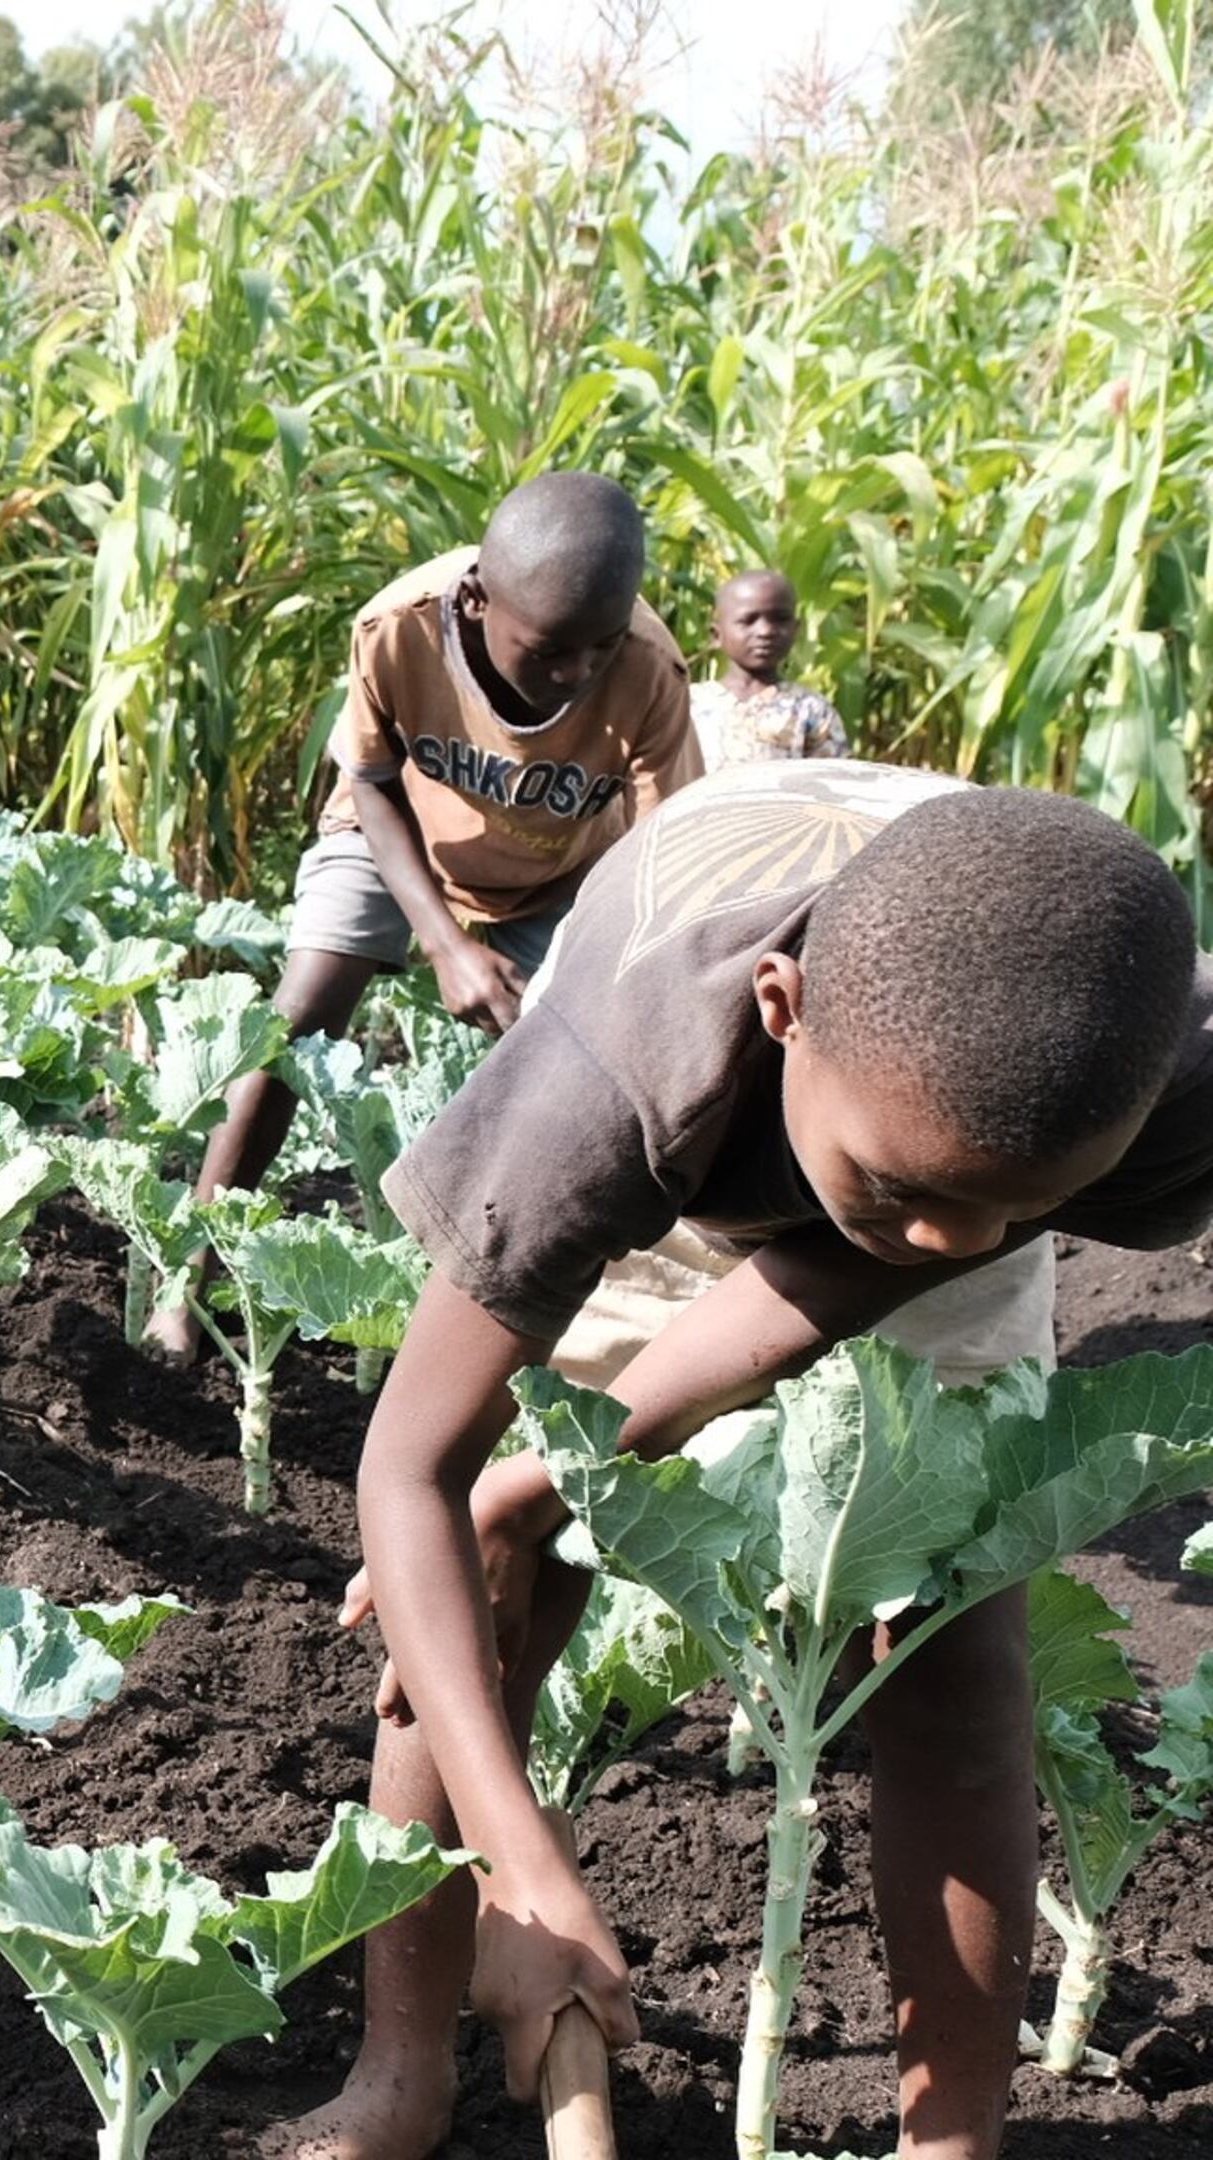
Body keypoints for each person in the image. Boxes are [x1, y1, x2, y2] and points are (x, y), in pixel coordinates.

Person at [288, 763, 1213, 2160]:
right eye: (919, 1197)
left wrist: (945, 1206)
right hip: (704, 1117)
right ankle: (400, 2076)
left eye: (1019, 1207)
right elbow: (407, 1470)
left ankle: (951, 2140)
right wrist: (523, 1870)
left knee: (951, 1646)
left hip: (942, 1104)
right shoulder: (603, 1093)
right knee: (470, 1589)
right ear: (785, 1012)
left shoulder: (1129, 1082)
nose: (959, 1245)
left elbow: (885, 1253)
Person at [153, 472, 702, 1362]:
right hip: (397, 835)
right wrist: (445, 944)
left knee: (579, 1076)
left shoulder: (647, 668)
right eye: (551, 649)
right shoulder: (398, 629)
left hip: (560, 871)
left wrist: (617, 991)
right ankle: (189, 1277)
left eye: (597, 649)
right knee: (294, 1021)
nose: (576, 672)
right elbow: (370, 782)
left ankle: (541, 1325)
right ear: (480, 598)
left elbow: (665, 848)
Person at [692, 567, 849, 769]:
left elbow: (833, 782)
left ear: (796, 630)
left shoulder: (810, 709)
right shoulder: (690, 705)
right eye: (748, 621)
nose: (765, 631)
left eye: (780, 619)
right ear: (716, 635)